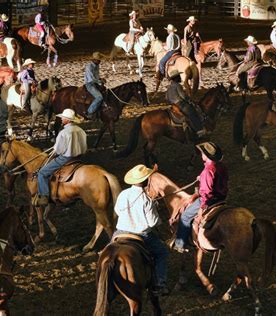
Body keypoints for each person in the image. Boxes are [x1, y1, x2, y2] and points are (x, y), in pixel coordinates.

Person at [114, 164, 169, 296]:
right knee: (162, 253)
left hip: (120, 232)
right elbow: (153, 222)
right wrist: (160, 220)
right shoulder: (146, 199)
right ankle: (159, 284)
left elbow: (117, 210)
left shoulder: (123, 194)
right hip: (142, 235)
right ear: (146, 181)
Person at [173, 142, 228, 253]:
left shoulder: (208, 170)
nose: (201, 154)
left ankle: (180, 243)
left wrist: (203, 207)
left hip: (209, 200)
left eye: (202, 152)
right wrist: (201, 177)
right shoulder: (221, 165)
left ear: (206, 156)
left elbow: (206, 192)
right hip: (221, 198)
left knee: (185, 217)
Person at [33, 109, 87, 207]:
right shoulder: (81, 130)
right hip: (78, 158)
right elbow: (84, 147)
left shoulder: (64, 133)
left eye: (63, 118)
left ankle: (44, 196)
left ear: (68, 120)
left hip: (65, 159)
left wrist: (55, 152)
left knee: (42, 173)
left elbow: (58, 150)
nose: (61, 119)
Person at [166, 69, 206, 138]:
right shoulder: (178, 86)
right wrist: (190, 101)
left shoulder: (169, 87)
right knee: (193, 112)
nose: (180, 77)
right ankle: (199, 130)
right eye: (178, 76)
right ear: (175, 78)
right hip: (180, 104)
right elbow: (183, 96)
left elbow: (166, 98)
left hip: (172, 105)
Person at [84, 52, 107, 120]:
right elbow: (91, 79)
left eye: (100, 60)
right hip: (89, 84)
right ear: (94, 60)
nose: (99, 61)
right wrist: (100, 81)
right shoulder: (89, 66)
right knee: (99, 97)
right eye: (98, 60)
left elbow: (96, 77)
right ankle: (89, 112)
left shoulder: (96, 66)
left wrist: (100, 79)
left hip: (95, 82)